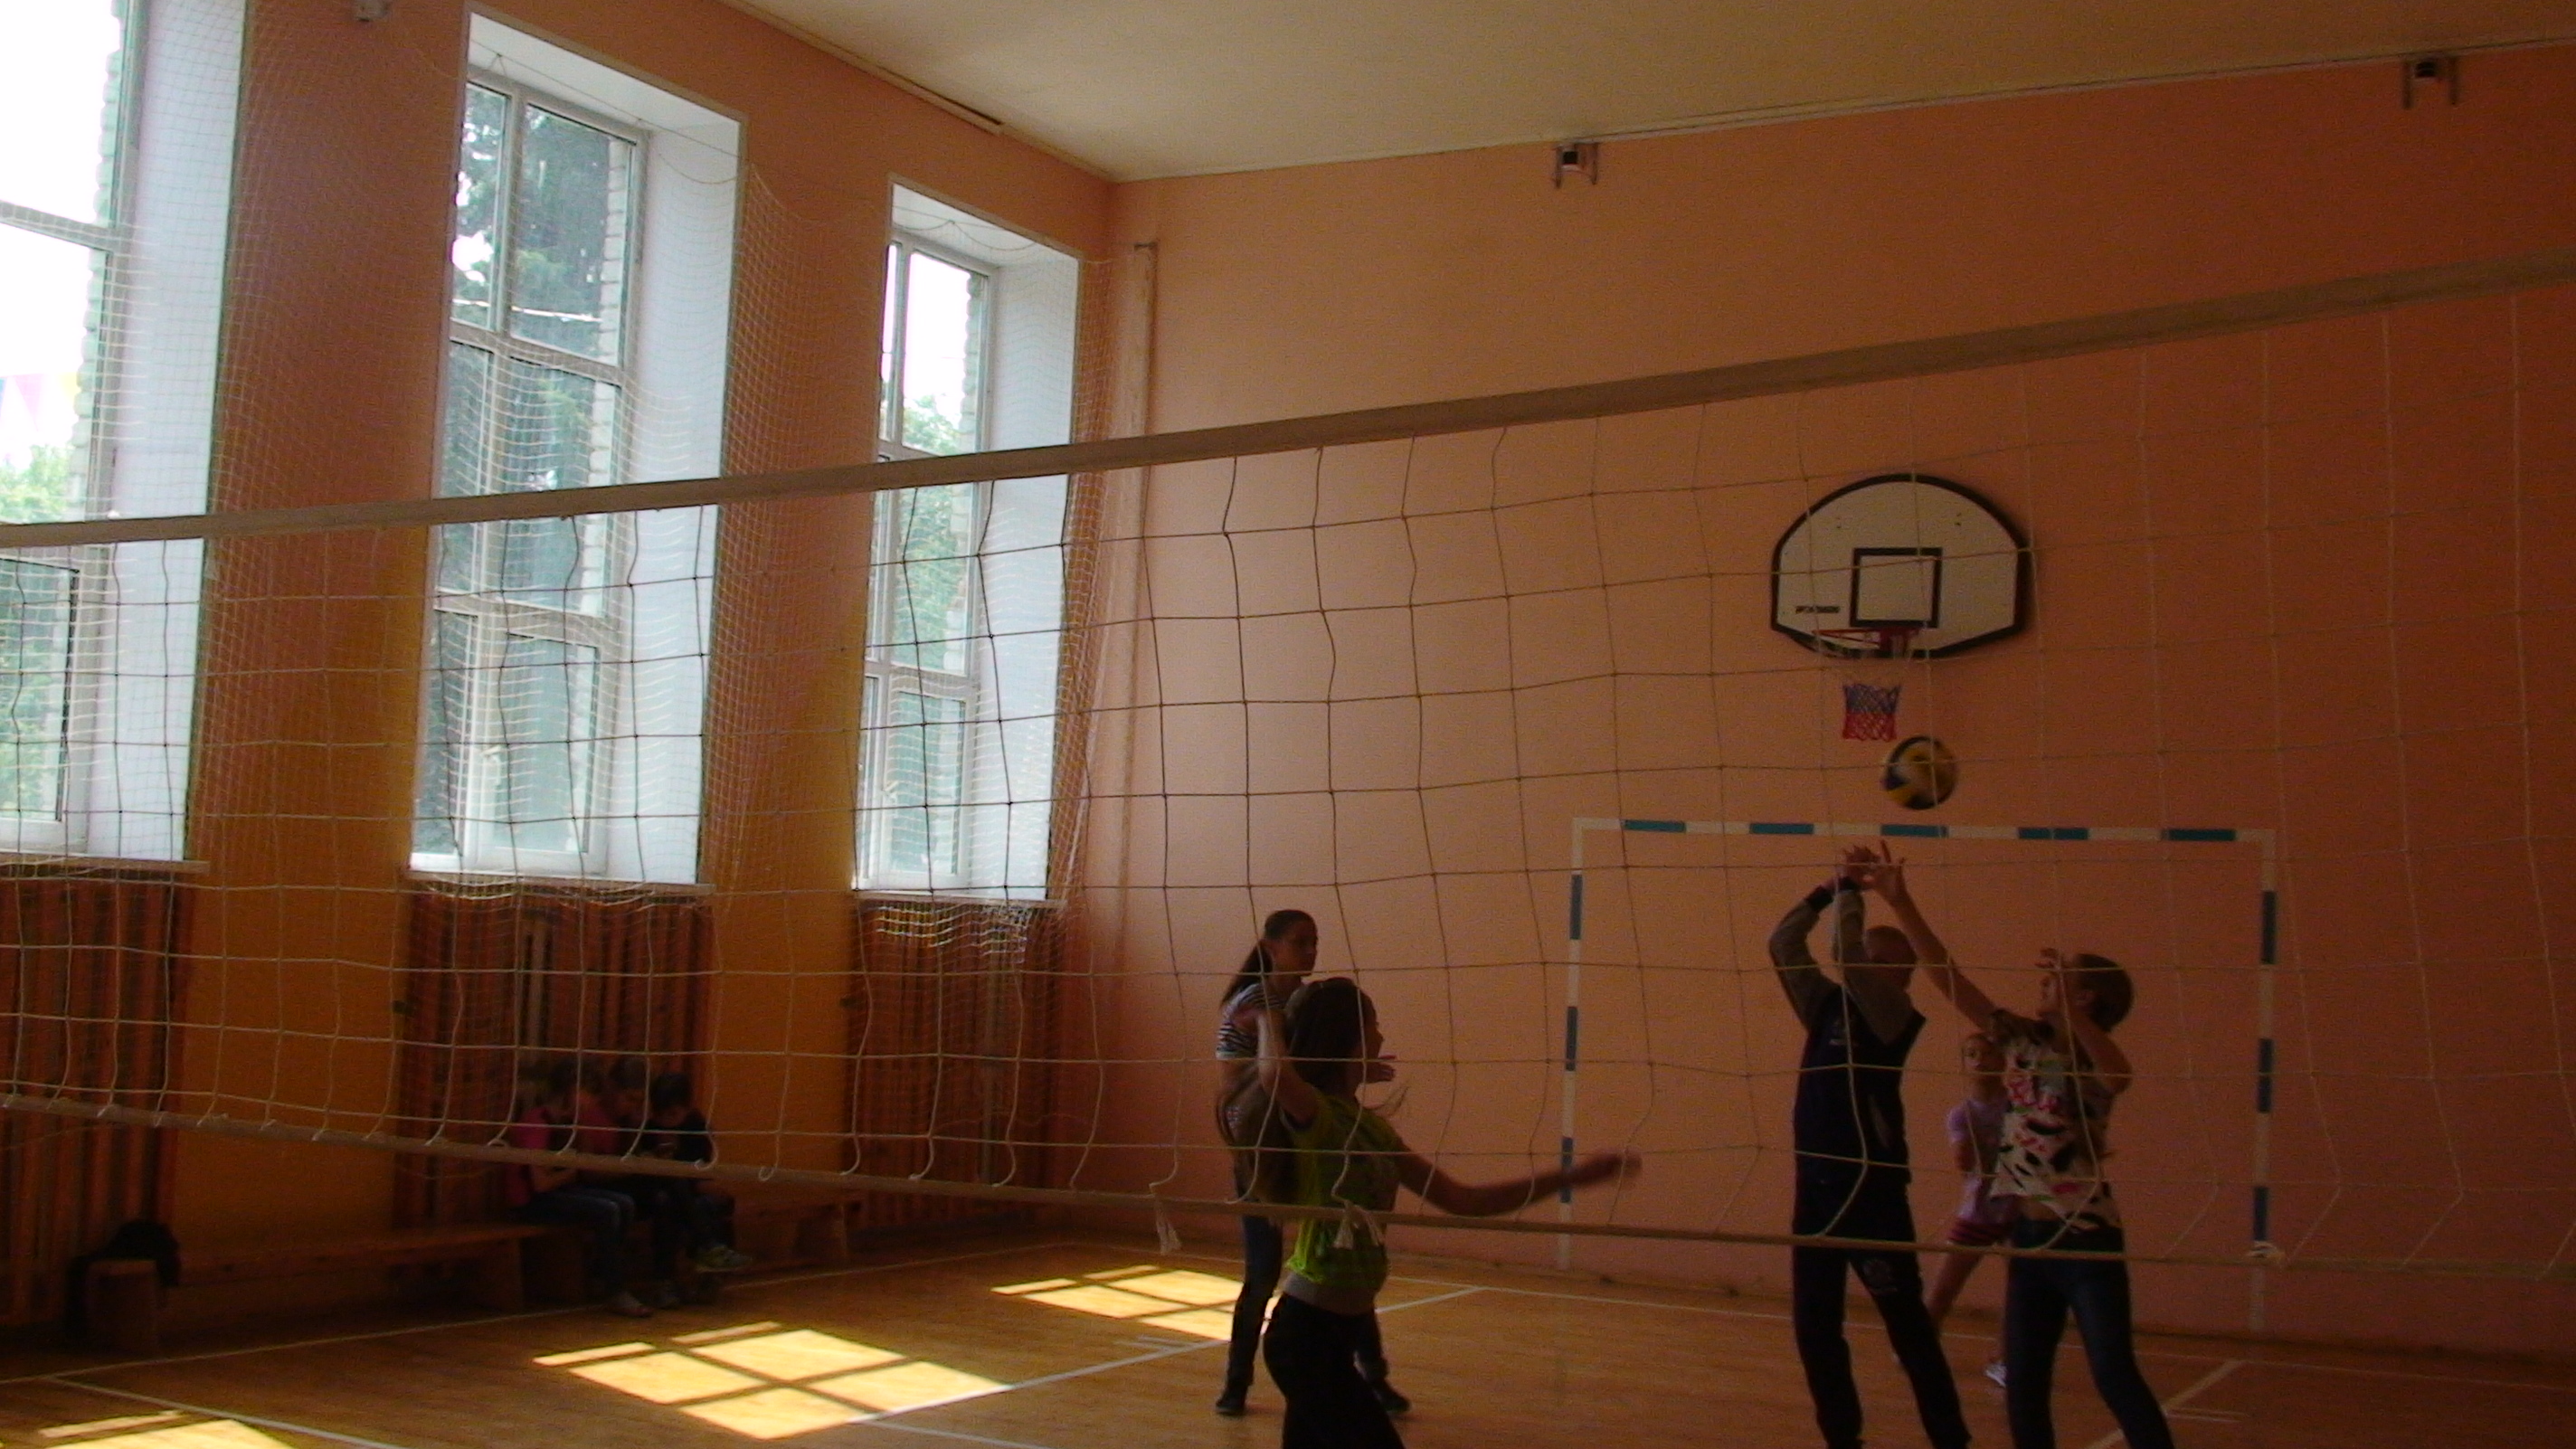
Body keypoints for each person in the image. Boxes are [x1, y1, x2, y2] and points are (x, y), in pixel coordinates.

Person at [1866, 857, 2175, 1449]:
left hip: (2086, 1240)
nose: (2044, 981)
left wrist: (2076, 1018)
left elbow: (2119, 1076)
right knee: (2025, 1385)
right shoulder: (2024, 1043)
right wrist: (1900, 902)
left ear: (2086, 997)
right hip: (2028, 1240)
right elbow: (1949, 978)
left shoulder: (2090, 1059)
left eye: (2060, 978)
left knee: (2114, 1374)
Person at [1250, 977, 1636, 1449]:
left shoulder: (1372, 1130)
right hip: (1305, 1334)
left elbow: (1463, 1201)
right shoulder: (1321, 1117)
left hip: (1339, 1331)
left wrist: (1572, 1177)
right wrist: (1268, 1016)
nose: (1381, 1035)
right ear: (1350, 1036)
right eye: (1373, 1024)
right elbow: (1274, 1076)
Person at [1767, 844, 1970, 1449]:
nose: (1879, 969)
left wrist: (1855, 890)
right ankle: (1842, 1438)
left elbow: (1845, 957)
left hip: (1871, 1191)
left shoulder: (1894, 1014)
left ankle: (1951, 1439)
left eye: (1889, 964)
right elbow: (1783, 944)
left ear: (1903, 977)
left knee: (1907, 1326)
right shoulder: (1826, 1007)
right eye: (1877, 960)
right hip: (1816, 1188)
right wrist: (1829, 889)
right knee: (1814, 1326)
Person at [1213, 911, 1406, 1418]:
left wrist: (1352, 1067)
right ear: (1270, 947)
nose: (1311, 951)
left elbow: (1312, 1069)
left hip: (1307, 1139)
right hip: (1264, 1149)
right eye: (1300, 942)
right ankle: (1235, 1383)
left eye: (1315, 942)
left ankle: (1375, 1377)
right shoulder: (1256, 1002)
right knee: (1263, 1270)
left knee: (1346, 1250)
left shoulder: (1300, 1001)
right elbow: (1265, 1077)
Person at [507, 1056, 649, 1318]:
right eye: (590, 1095)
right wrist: (573, 1169)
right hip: (532, 1202)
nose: (593, 1103)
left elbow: (582, 1164)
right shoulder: (537, 1123)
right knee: (607, 1210)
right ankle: (614, 1289)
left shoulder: (569, 1123)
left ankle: (600, 1273)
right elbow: (540, 1185)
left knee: (624, 1203)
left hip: (557, 1192)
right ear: (573, 1090)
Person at [1926, 1031, 2014, 1386]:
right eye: (1972, 1054)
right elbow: (1964, 1164)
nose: (1980, 1061)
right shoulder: (1961, 1114)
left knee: (2019, 1291)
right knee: (1944, 1288)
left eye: (1988, 1053)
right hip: (1977, 1212)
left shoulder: (2017, 1107)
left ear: (2003, 1059)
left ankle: (2005, 1357)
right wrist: (1971, 1144)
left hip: (2016, 1211)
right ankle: (1921, 1345)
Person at [629, 1071, 754, 1302]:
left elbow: (701, 1173)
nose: (666, 1120)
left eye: (673, 1114)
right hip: (651, 1191)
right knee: (668, 1200)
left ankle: (706, 1274)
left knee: (707, 1203)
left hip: (685, 1192)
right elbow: (641, 1173)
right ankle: (705, 1251)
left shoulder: (696, 1127)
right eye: (660, 1114)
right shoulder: (646, 1127)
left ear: (687, 1108)